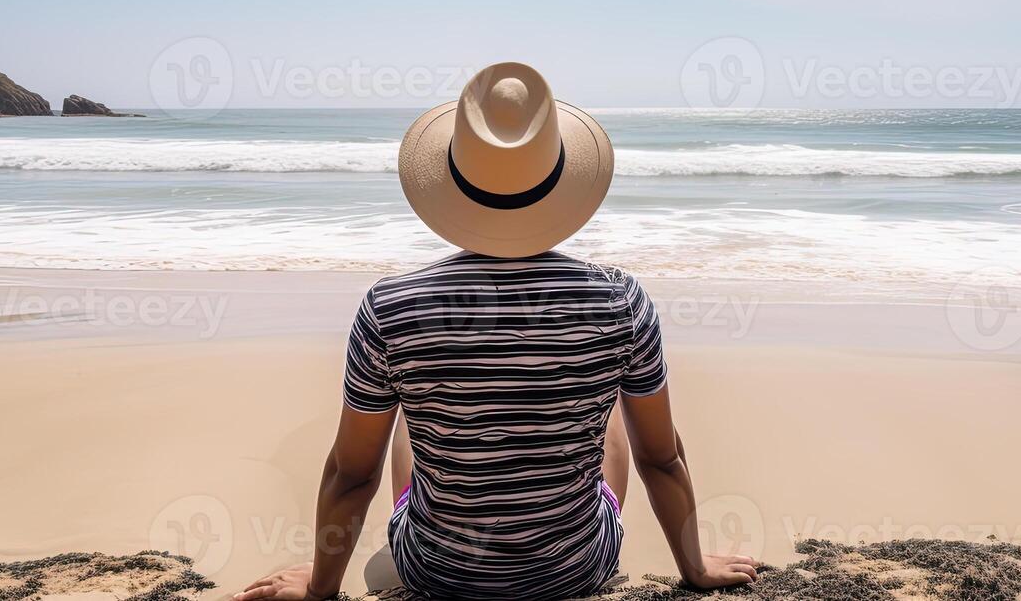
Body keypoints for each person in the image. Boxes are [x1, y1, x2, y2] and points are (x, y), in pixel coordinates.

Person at [236, 62, 758, 600]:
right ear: (561, 178)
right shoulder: (620, 300)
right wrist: (693, 566)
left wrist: (321, 588)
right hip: (575, 569)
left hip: (436, 572)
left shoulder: (390, 307)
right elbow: (660, 458)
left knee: (405, 423)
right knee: (615, 417)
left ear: (452, 179)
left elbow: (352, 475)